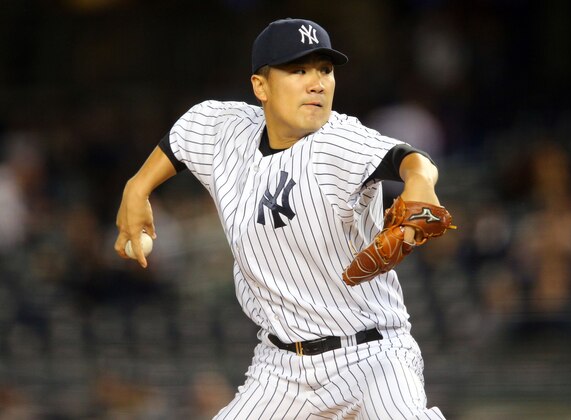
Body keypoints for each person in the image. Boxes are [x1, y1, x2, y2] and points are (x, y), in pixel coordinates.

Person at [115, 18, 448, 419]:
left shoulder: (339, 140)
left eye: (325, 70)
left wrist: (421, 181)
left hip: (372, 356)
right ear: (261, 87)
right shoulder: (227, 130)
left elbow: (410, 160)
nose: (317, 83)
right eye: (298, 70)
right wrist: (137, 187)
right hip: (280, 367)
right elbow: (185, 136)